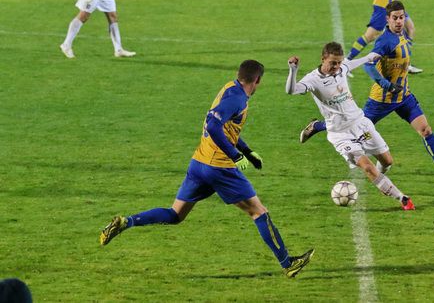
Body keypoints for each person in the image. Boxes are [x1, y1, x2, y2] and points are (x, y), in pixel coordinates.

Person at [99, 60, 315, 278]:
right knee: (259, 212)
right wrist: (235, 155)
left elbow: (224, 127)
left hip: (199, 163)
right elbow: (213, 126)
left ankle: (126, 222)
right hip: (219, 167)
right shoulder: (238, 99)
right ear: (257, 80)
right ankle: (288, 263)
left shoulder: (229, 88)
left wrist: (247, 151)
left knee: (175, 214)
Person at [300, 2, 434, 183]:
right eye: (395, 18)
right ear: (387, 19)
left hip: (404, 96)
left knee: (425, 129)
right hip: (381, 100)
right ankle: (318, 126)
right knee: (352, 125)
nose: (399, 21)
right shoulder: (384, 41)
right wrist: (387, 85)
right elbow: (369, 66)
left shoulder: (403, 35)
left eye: (402, 17)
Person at [286, 42, 415, 210]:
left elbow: (351, 64)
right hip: (340, 134)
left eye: (339, 62)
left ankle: (382, 182)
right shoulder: (313, 79)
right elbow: (291, 90)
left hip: (360, 124)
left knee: (387, 161)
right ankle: (402, 198)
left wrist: (369, 57)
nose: (336, 67)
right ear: (323, 59)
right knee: (367, 167)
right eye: (333, 63)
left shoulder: (341, 68)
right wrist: (293, 70)